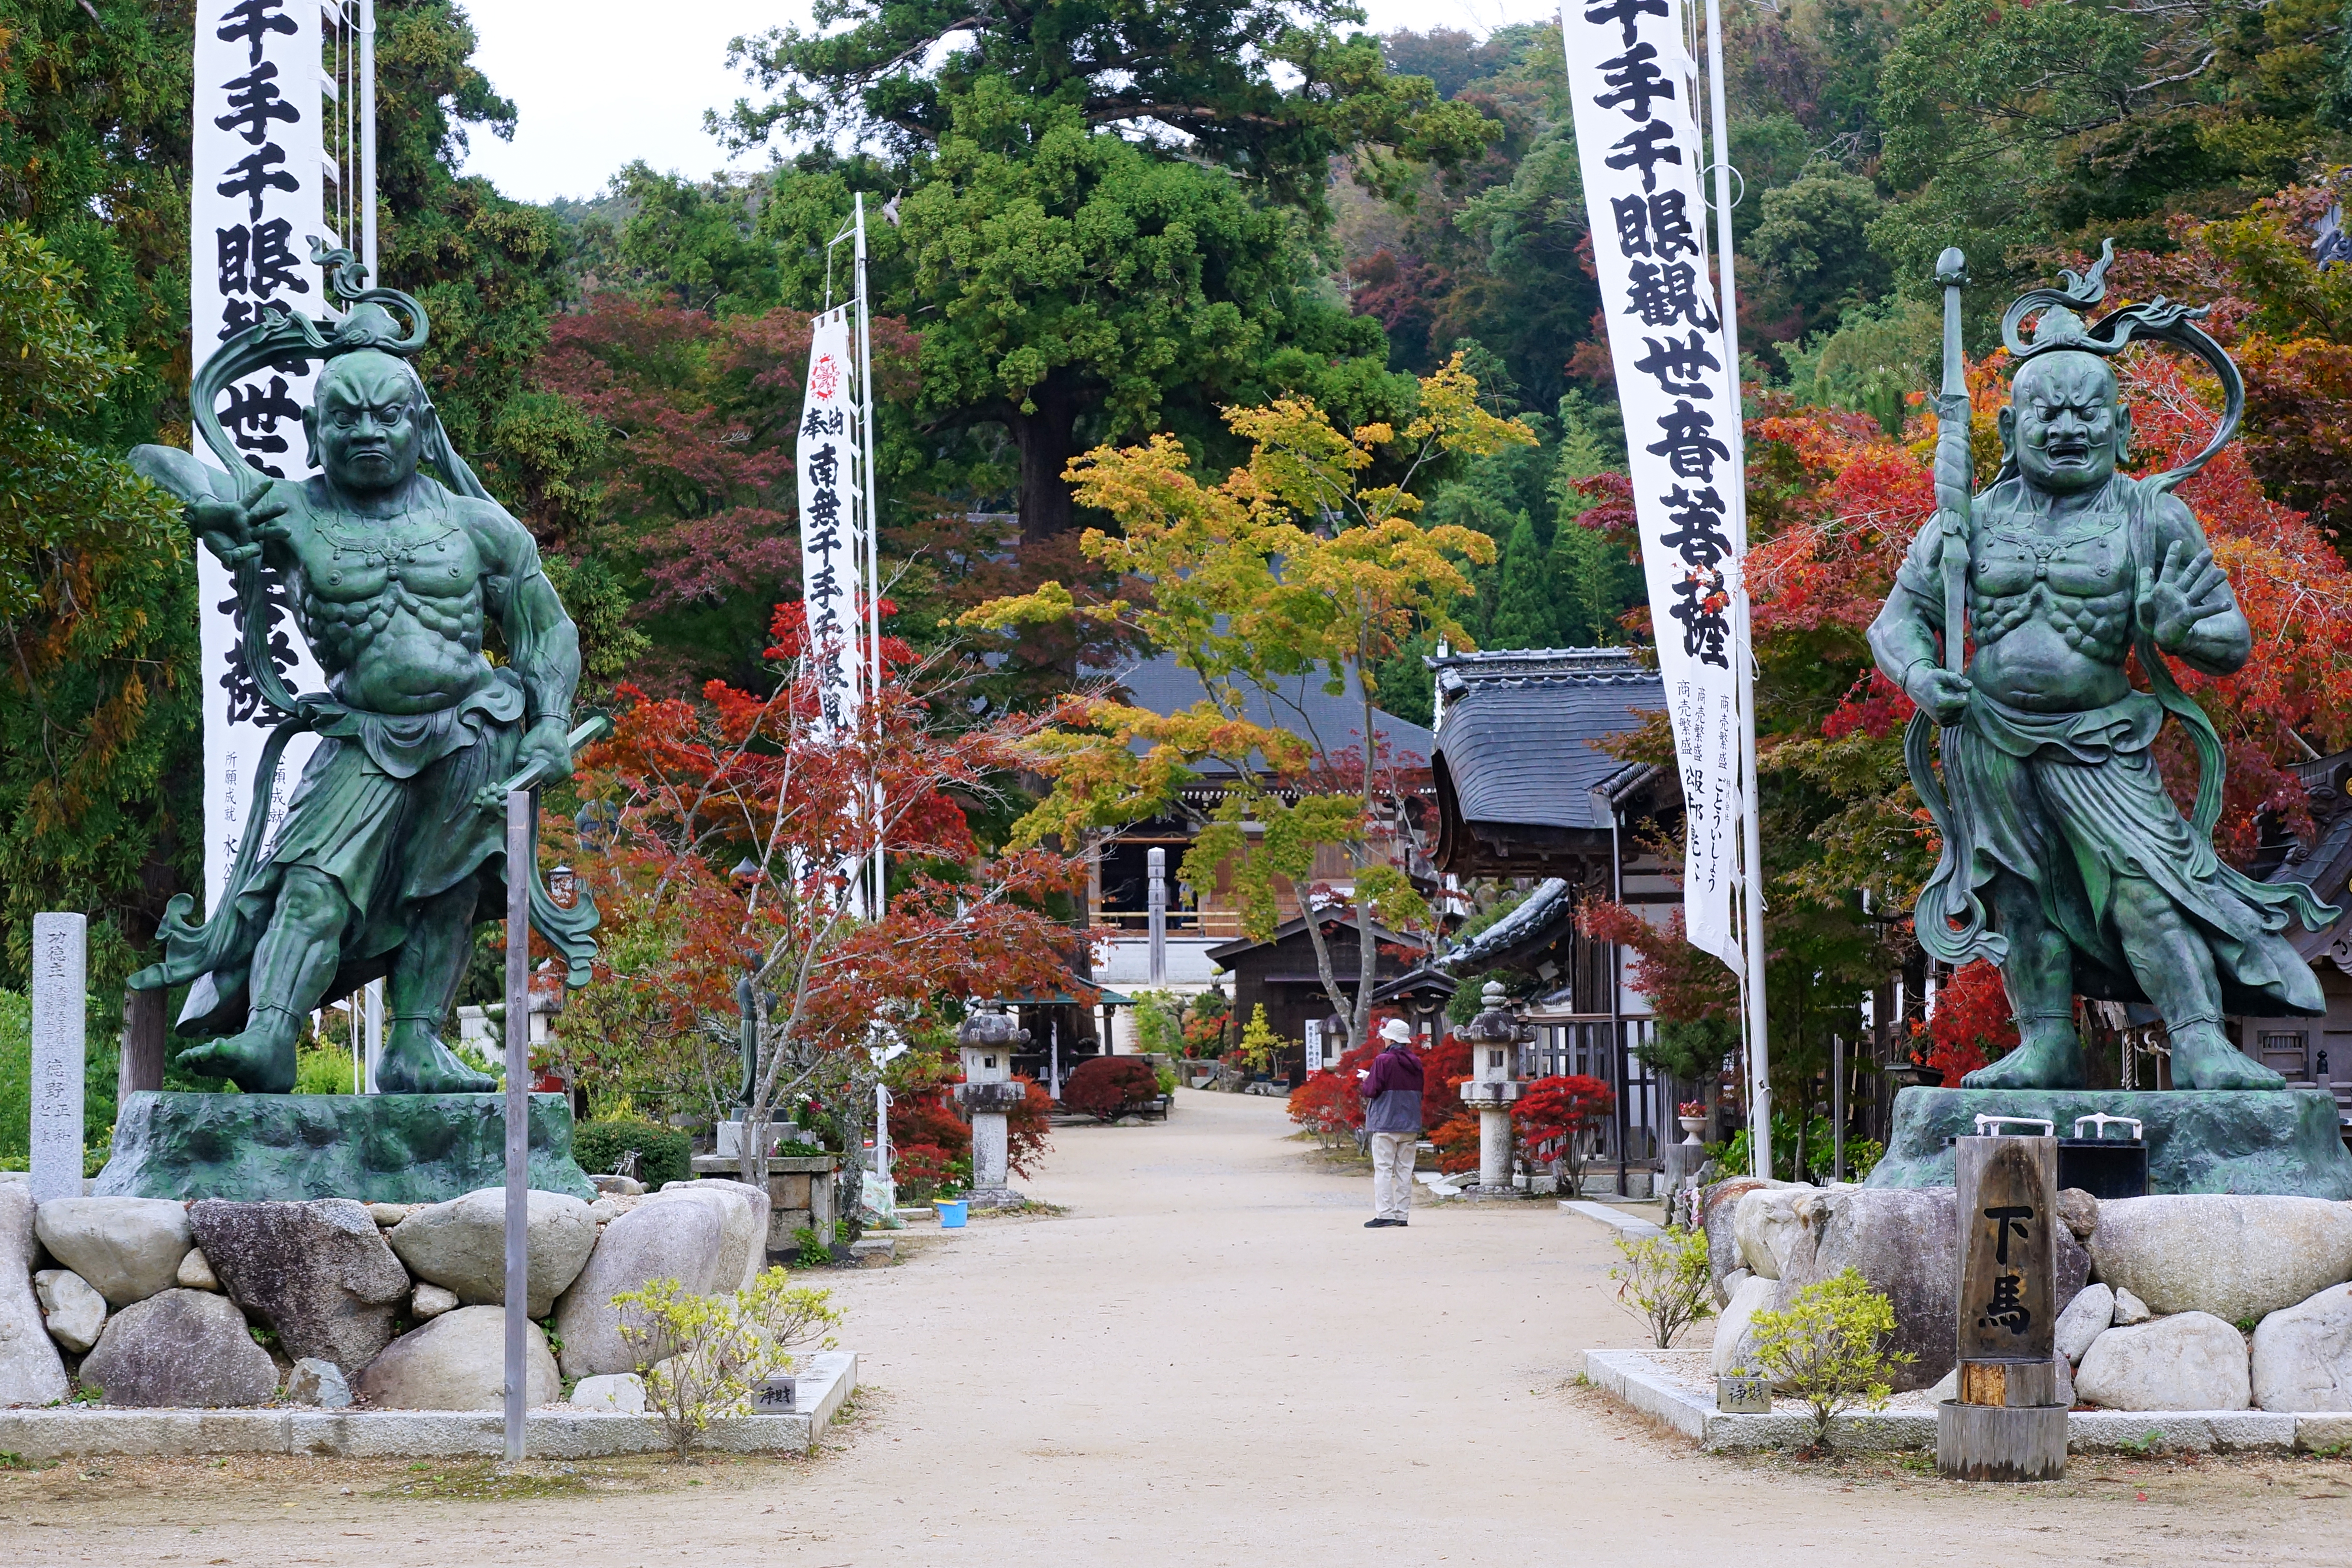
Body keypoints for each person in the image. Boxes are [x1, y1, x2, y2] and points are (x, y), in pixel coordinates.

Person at [1358, 1018, 1424, 1228]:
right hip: (1410, 1123)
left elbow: (1372, 1090)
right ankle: (1402, 1215)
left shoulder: (1383, 1060)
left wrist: (1368, 1079)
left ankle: (1385, 1213)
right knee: (1405, 1171)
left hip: (1386, 1123)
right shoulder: (1416, 1063)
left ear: (1391, 1038)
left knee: (1384, 1170)